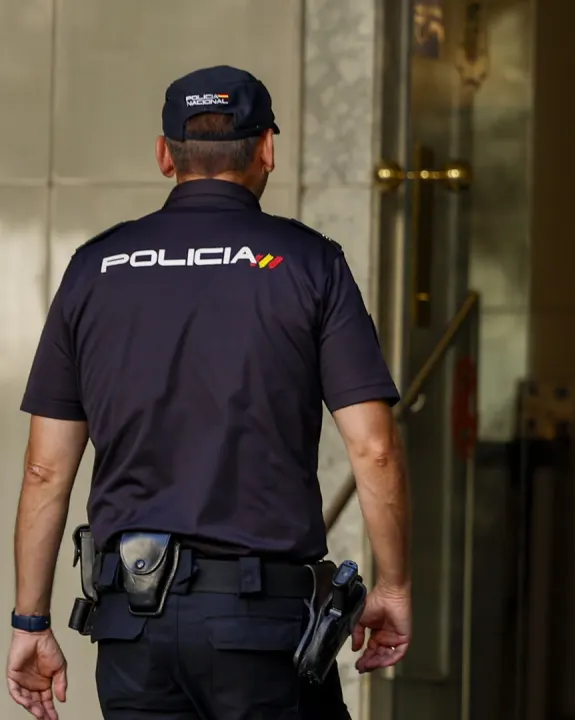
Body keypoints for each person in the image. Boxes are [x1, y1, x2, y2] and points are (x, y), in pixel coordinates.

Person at [5, 65, 413, 719]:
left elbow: (44, 469)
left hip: (131, 629)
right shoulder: (310, 263)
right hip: (260, 628)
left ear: (164, 155)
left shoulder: (95, 267)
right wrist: (392, 585)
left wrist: (30, 620)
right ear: (267, 150)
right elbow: (375, 450)